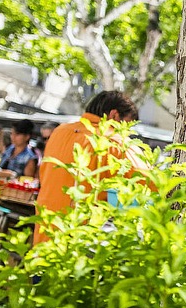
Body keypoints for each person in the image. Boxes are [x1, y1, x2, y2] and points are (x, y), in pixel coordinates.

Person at [34, 90, 141, 245]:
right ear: (114, 115)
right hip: (79, 245)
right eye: (129, 125)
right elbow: (148, 187)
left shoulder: (59, 132)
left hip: (44, 237)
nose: (128, 133)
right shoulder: (116, 143)